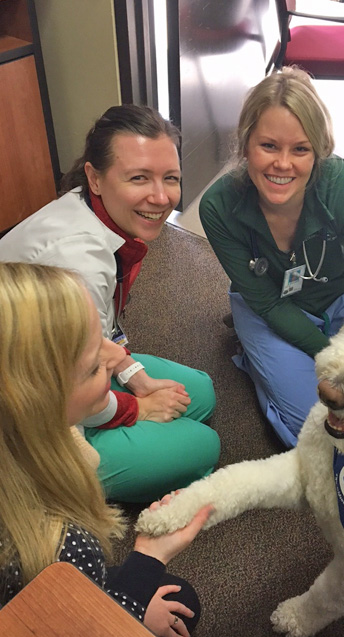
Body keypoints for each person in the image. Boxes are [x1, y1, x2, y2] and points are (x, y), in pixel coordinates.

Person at [0, 262, 225, 637]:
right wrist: (147, 560)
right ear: (38, 400)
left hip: (55, 600)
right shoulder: (56, 543)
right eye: (92, 366)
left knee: (180, 598)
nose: (117, 353)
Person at [0, 105, 220, 503]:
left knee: (200, 393)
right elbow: (68, 382)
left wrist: (138, 380)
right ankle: (37, 485)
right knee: (203, 446)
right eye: (139, 178)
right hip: (27, 412)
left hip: (66, 368)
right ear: (94, 178)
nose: (161, 196)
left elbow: (102, 339)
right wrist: (137, 408)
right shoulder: (74, 263)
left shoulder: (90, 208)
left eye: (170, 178)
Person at [199, 67, 344, 449]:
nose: (283, 164)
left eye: (300, 149)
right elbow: (268, 302)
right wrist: (331, 356)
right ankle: (254, 355)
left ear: (318, 151)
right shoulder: (218, 206)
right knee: (315, 432)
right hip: (266, 307)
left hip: (343, 301)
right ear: (245, 145)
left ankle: (264, 354)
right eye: (269, 146)